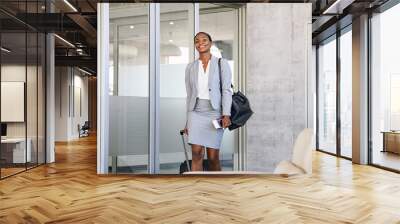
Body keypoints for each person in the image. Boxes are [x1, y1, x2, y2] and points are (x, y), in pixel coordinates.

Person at [183, 32, 233, 171]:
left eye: (204, 40)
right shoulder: (190, 67)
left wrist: (226, 114)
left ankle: (216, 187)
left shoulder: (221, 63)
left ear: (210, 43)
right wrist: (187, 122)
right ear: (195, 45)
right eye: (197, 41)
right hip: (196, 112)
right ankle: (196, 187)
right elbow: (189, 95)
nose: (201, 43)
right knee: (196, 153)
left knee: (213, 157)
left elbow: (226, 90)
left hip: (215, 113)